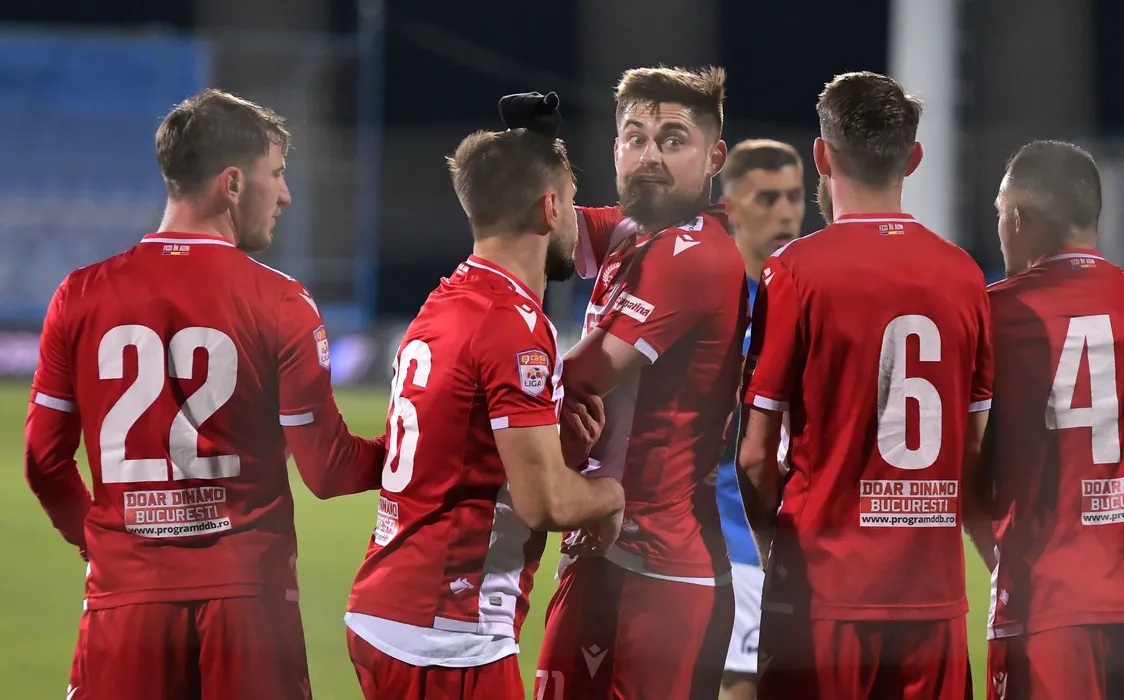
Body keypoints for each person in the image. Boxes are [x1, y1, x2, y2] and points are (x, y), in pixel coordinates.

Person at [23, 88, 387, 700]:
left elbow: (44, 461)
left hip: (125, 604)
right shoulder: (281, 302)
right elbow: (328, 470)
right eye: (277, 174)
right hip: (250, 607)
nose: (285, 195)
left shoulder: (79, 295)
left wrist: (101, 543)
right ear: (233, 184)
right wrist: (419, 443)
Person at [343, 127, 626, 700]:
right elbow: (544, 504)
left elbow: (462, 453)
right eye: (572, 202)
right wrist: (612, 496)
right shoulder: (513, 324)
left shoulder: (444, 300)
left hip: (389, 609)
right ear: (550, 208)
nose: (578, 222)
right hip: (447, 632)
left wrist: (556, 448)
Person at [736, 71, 993, 700]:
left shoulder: (793, 272)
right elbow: (978, 452)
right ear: (914, 157)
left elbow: (754, 456)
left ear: (821, 156)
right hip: (933, 602)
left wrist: (774, 550)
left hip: (823, 594)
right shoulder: (964, 276)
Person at [507, 66, 749, 700]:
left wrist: (480, 383)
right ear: (615, 149)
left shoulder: (695, 254)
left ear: (714, 157)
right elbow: (547, 224)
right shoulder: (632, 231)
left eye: (673, 140)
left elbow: (582, 376)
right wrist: (534, 153)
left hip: (663, 579)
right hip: (602, 547)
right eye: (636, 138)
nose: (650, 156)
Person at [969, 140, 1124, 700]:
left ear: (1019, 217)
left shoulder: (997, 312)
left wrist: (1003, 558)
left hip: (1050, 605)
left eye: (1000, 211)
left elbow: (967, 469)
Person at [716, 139, 805, 700]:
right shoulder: (709, 301)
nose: (786, 212)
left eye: (794, 196)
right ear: (730, 208)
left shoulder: (807, 299)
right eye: (768, 198)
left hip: (794, 547)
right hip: (727, 544)